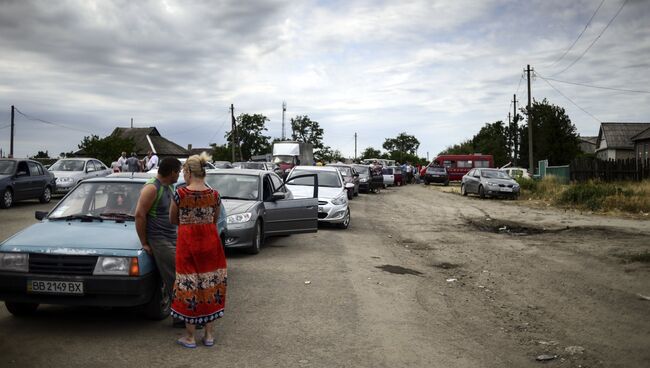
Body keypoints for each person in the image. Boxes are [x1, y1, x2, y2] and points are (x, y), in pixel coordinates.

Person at [169, 152, 227, 348]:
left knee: (188, 286)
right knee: (210, 285)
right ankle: (209, 335)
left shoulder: (180, 194)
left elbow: (172, 219)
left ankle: (190, 337)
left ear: (187, 171)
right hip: (210, 244)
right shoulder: (214, 195)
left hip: (187, 244)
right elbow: (215, 218)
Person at [134, 157, 182, 327]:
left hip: (171, 237)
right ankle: (180, 318)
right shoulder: (152, 188)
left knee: (181, 275)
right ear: (173, 172)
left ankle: (182, 314)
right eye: (179, 171)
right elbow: (139, 215)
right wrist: (145, 242)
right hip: (159, 239)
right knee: (175, 277)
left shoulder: (169, 186)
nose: (180, 174)